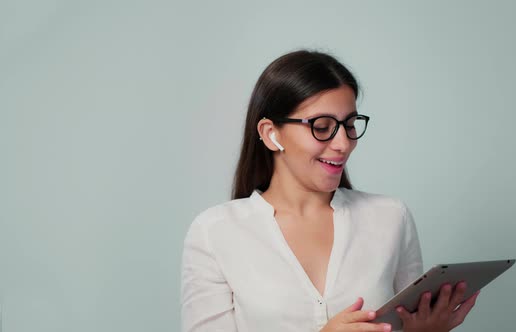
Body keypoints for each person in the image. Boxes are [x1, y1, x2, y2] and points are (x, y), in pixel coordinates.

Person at [181, 50, 479, 332]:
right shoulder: (215, 232)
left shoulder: (390, 218)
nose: (343, 143)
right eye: (322, 126)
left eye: (350, 125)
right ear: (271, 134)